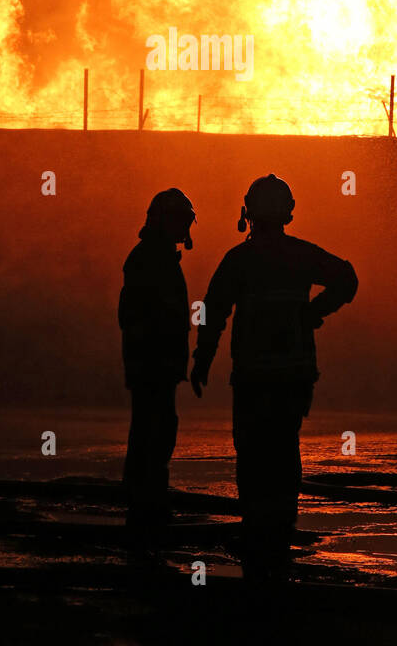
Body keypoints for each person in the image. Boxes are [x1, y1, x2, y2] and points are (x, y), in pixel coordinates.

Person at [191, 174, 357, 579]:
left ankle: (258, 534)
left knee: (252, 455)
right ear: (288, 212)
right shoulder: (301, 255)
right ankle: (279, 532)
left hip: (252, 379)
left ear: (247, 213)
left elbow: (212, 310)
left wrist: (202, 359)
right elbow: (347, 277)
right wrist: (315, 312)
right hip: (294, 379)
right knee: (284, 451)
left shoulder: (239, 260)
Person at [119, 188, 196, 548]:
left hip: (155, 364)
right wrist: (154, 358)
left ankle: (146, 497)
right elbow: (136, 316)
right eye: (180, 221)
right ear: (163, 220)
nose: (184, 228)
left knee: (154, 427)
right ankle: (146, 503)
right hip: (153, 364)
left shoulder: (156, 257)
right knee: (155, 428)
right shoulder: (151, 259)